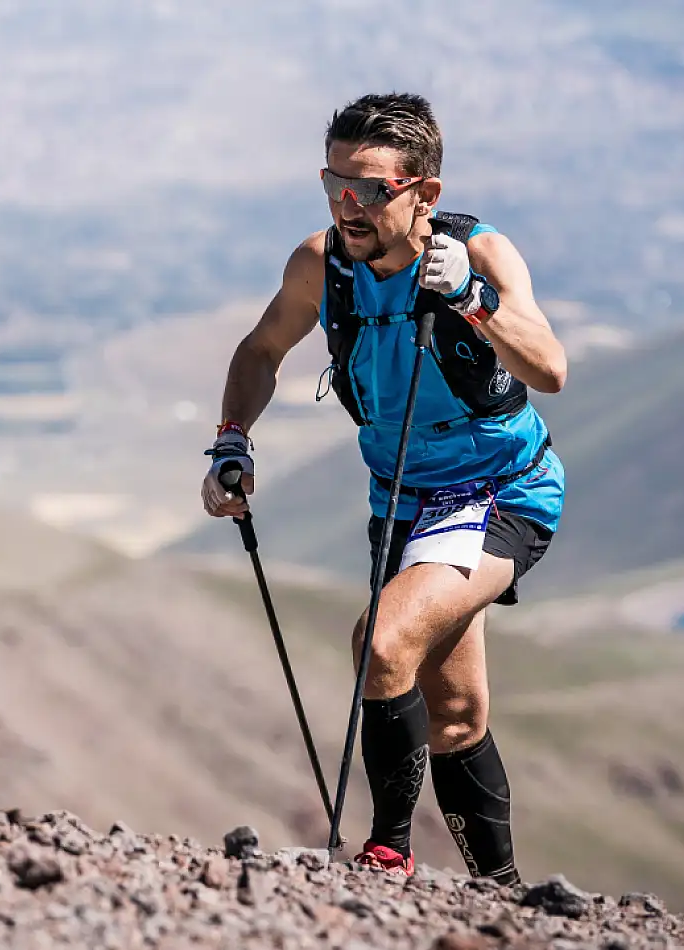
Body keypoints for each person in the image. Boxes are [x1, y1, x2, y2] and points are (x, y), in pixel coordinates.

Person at [199, 92, 569, 884]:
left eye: (368, 188)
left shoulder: (484, 253)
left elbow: (550, 368)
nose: (346, 203)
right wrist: (233, 438)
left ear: (423, 194)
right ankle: (499, 898)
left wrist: (471, 298)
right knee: (458, 714)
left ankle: (386, 855)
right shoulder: (322, 263)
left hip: (502, 492)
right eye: (332, 182)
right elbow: (260, 350)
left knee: (383, 640)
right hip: (400, 502)